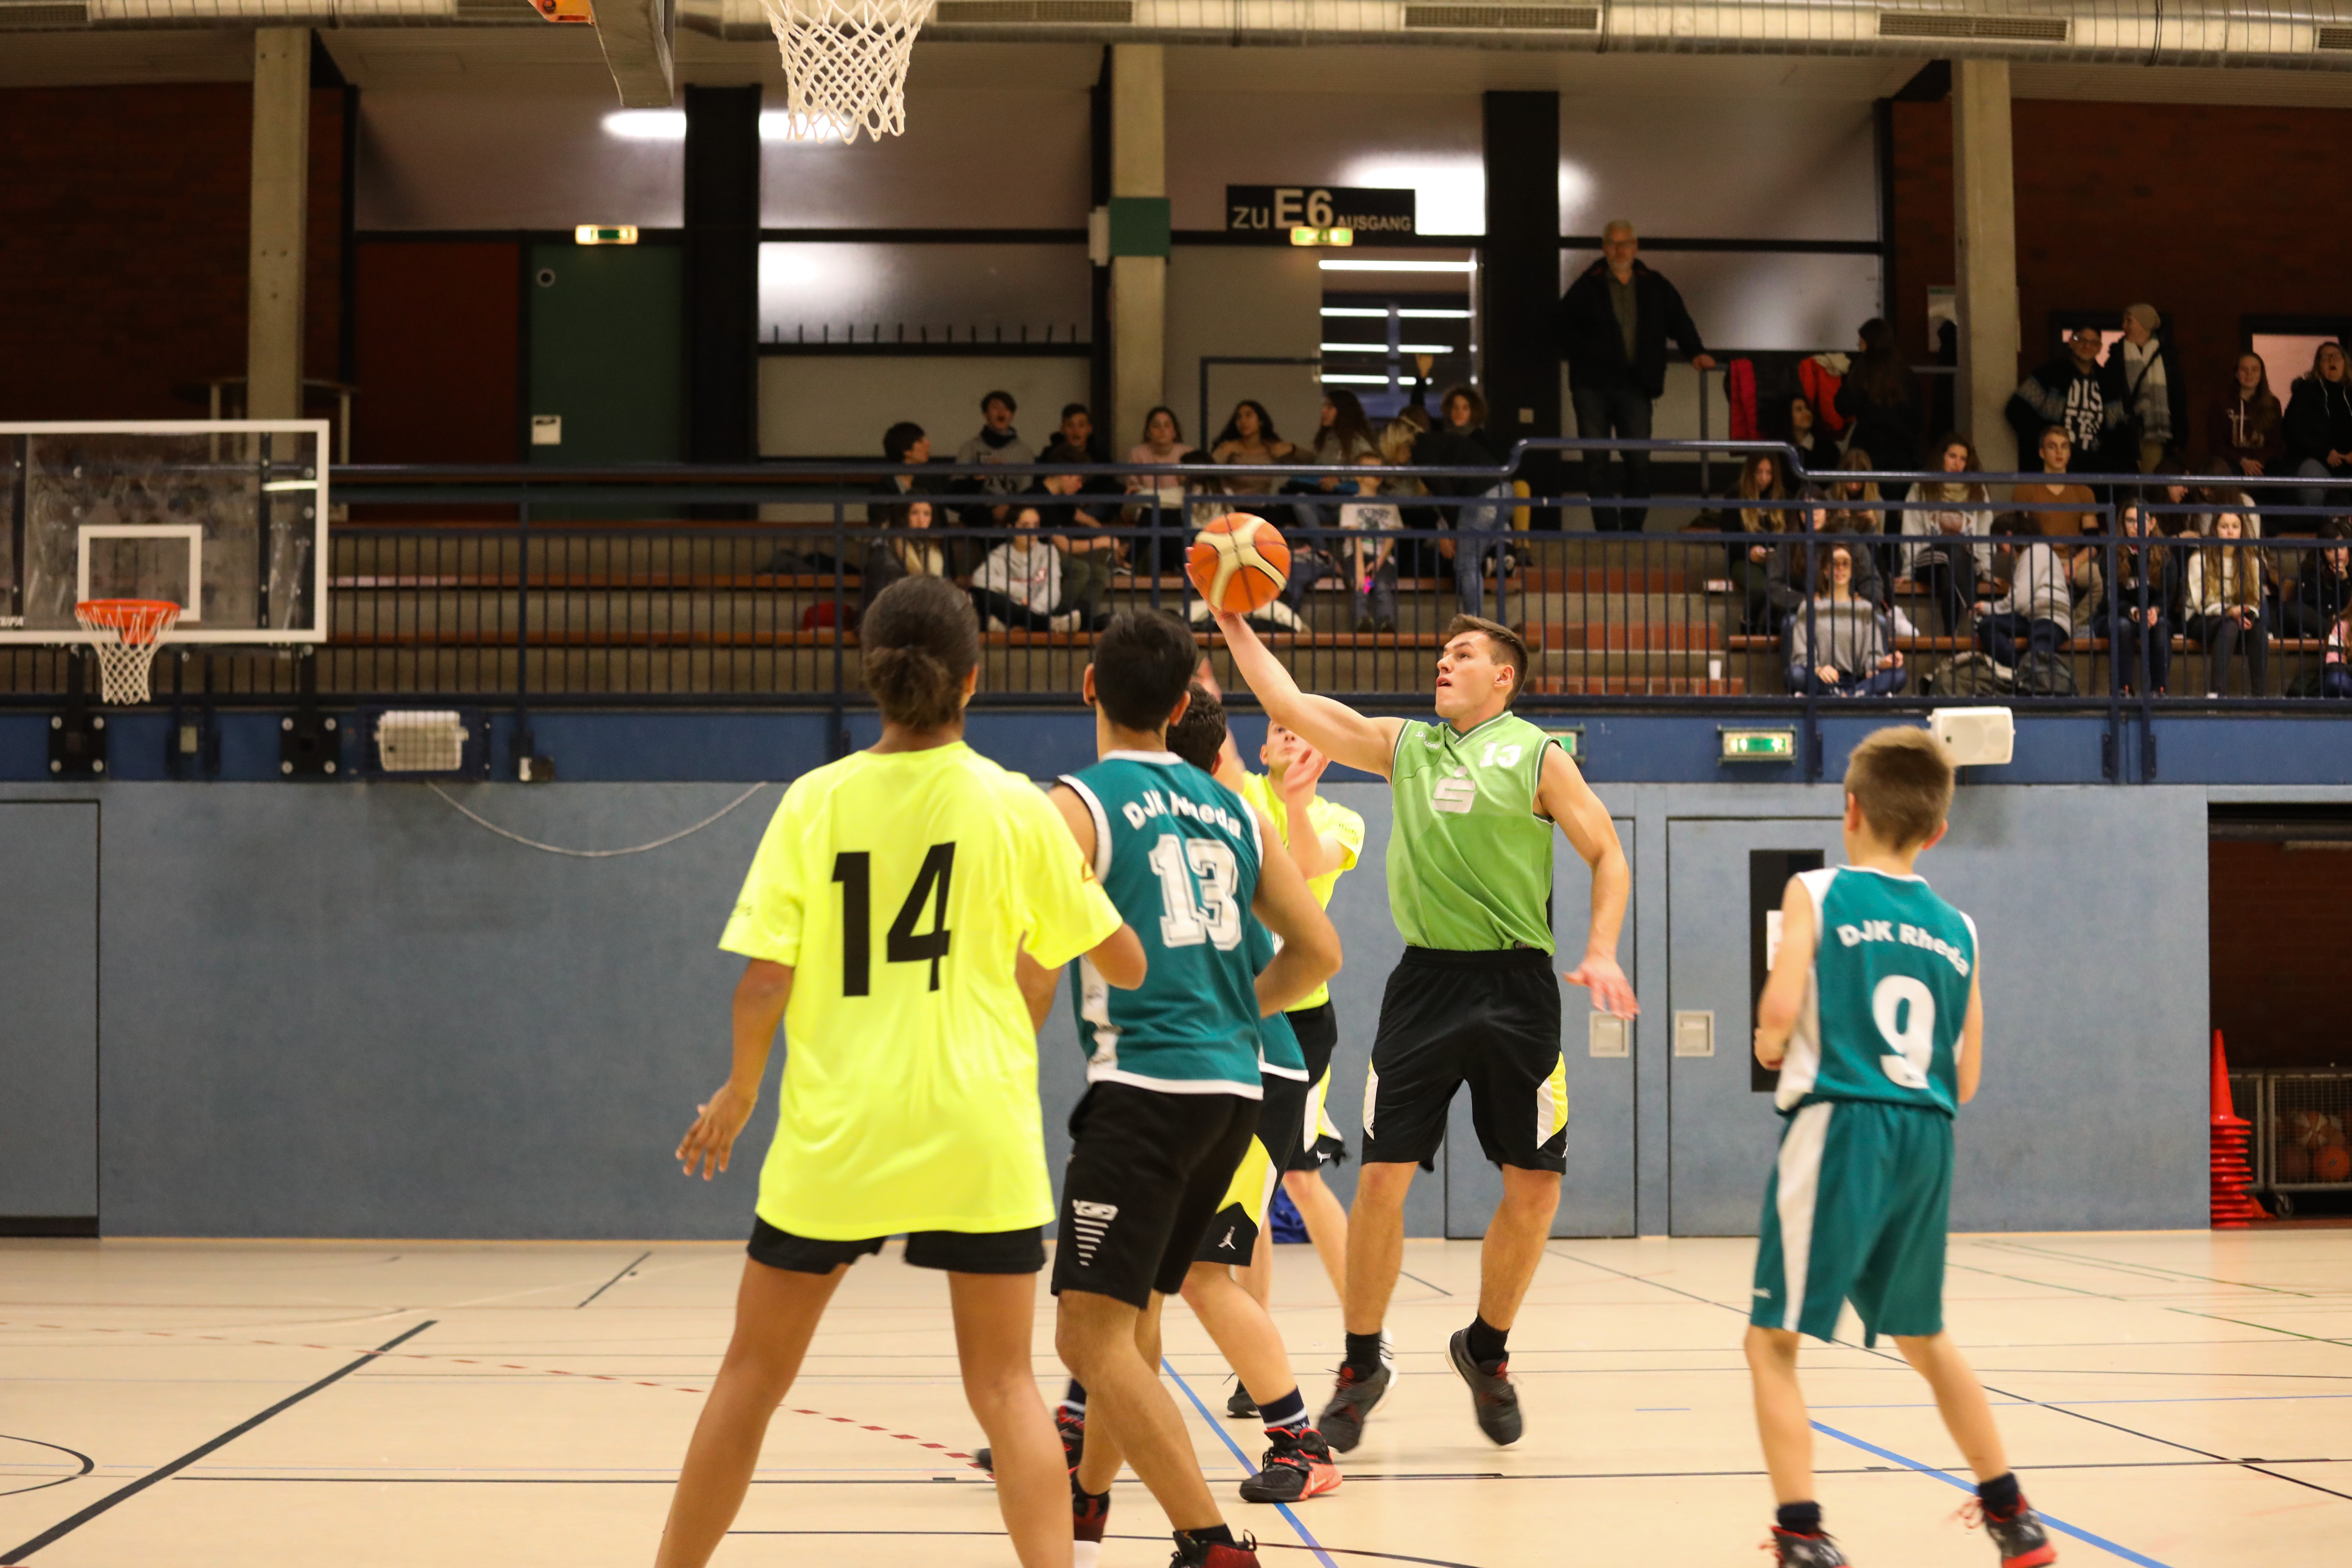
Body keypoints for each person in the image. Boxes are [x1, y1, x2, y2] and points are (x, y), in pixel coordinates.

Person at [653, 575, 1144, 1568]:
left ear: (871, 674)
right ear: (974, 679)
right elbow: (1123, 964)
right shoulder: (1017, 806)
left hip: (839, 1129)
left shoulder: (815, 800)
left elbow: (764, 981)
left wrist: (742, 1090)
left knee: (751, 1376)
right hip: (977, 1125)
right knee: (1007, 1389)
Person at [1212, 607, 1637, 1454]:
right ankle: (1361, 1363)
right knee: (1381, 1179)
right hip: (1426, 985)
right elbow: (1292, 705)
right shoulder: (1406, 746)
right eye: (1442, 652)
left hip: (1519, 987)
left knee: (1536, 1187)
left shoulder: (1538, 756)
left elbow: (1607, 853)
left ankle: (1486, 1348)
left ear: (1503, 677)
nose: (1444, 662)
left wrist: (1601, 948)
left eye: (1463, 654)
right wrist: (1232, 620)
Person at [1049, 612, 1342, 1568]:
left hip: (1143, 1093)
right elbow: (1318, 952)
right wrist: (1232, 1008)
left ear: (1090, 687)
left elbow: (1040, 958)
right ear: (1183, 707)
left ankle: (1211, 1544)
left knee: (1085, 1338)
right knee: (1132, 1317)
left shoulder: (1077, 805)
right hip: (1233, 1091)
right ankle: (1090, 1500)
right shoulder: (1236, 809)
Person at [1746, 726, 2057, 1568]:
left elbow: (1779, 1012)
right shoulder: (1960, 928)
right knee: (1924, 1335)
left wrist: (1772, 1042)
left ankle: (1801, 1534)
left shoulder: (1817, 891)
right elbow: (1968, 1076)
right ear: (1938, 831)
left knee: (1771, 1340)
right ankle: (2013, 1517)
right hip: (1927, 1135)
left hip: (1842, 1124)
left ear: (1850, 810)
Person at [1152, 686, 1350, 1497]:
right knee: (1143, 1270)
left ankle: (1325, 1402)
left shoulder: (1261, 820)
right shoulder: (1227, 809)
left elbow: (1317, 936)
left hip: (1257, 1052)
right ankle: (1083, 1425)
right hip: (1205, 1058)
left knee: (1206, 1261)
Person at [1229, 714, 1368, 1316]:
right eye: (1276, 727)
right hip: (1240, 1010)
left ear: (1325, 751)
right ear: (1262, 750)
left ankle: (1366, 1330)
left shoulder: (1343, 820)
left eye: (1299, 728)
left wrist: (1296, 800)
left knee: (1301, 1179)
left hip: (1301, 1018)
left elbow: (1305, 866)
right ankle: (1251, 1337)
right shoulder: (1240, 794)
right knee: (1248, 1182)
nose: (1287, 732)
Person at [1558, 219, 1714, 532]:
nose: (1620, 250)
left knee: (1639, 461)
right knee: (1596, 462)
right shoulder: (1587, 286)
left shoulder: (1655, 285)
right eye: (1614, 244)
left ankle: (1631, 530)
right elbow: (1560, 327)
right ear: (1605, 248)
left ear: (1636, 247)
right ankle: (1607, 531)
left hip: (1636, 385)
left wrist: (1695, 352)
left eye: (1626, 243)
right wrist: (1588, 352)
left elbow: (1679, 320)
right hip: (1592, 386)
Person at [1415, 385, 1515, 621]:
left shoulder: (1476, 440)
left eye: (1465, 408)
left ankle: (1473, 624)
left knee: (1466, 562)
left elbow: (1445, 491)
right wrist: (1421, 381)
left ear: (1475, 412)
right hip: (1483, 504)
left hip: (1479, 502)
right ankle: (1493, 564)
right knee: (1466, 559)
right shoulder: (1441, 437)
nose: (1459, 413)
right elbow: (1417, 414)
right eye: (1455, 408)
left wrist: (1450, 531)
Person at [1785, 544, 1905, 697]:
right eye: (1835, 564)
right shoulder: (1810, 607)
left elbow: (1872, 656)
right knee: (1795, 674)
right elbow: (1802, 654)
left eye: (1845, 564)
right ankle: (1850, 696)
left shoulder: (1865, 608)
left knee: (1899, 675)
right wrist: (1819, 670)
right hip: (1823, 679)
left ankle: (1846, 696)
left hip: (1859, 680)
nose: (1840, 569)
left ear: (1852, 571)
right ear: (1826, 571)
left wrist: (1884, 663)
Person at [1903, 435, 1993, 636]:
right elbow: (1911, 529)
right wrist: (1907, 572)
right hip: (1928, 559)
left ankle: (1950, 636)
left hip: (1964, 562)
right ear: (1941, 457)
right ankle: (1974, 612)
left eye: (1963, 459)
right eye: (1952, 456)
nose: (1957, 463)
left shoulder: (1978, 490)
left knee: (1948, 573)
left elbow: (1983, 533)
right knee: (1952, 548)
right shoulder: (1922, 487)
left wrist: (1987, 571)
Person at [2008, 327, 2125, 476]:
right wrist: (2042, 442)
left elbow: (2118, 428)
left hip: (2094, 460)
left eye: (2094, 343)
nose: (2087, 346)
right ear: (2071, 342)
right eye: (2081, 341)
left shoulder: (2108, 383)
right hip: (2055, 459)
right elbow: (2016, 410)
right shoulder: (2051, 373)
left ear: (2100, 348)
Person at [2184, 510, 2269, 697]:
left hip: (2238, 618)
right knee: (2230, 625)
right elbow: (2201, 603)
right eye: (2224, 527)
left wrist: (2245, 612)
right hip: (2203, 618)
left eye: (2235, 527)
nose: (2230, 532)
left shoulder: (2252, 562)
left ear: (2242, 531)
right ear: (2215, 530)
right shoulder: (2200, 559)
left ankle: (2260, 696)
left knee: (2258, 630)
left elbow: (2255, 599)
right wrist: (2231, 612)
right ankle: (2216, 693)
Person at [1973, 513, 2072, 668]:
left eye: (1999, 545)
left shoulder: (2036, 551)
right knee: (1988, 626)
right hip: (2031, 618)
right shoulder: (2030, 554)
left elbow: (2019, 601)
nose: (2001, 552)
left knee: (2039, 648)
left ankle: (2026, 673)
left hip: (2051, 617)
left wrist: (1986, 608)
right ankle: (2021, 670)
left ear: (2008, 536)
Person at [1031, 454, 1121, 625]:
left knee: (1101, 573)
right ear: (1065, 475)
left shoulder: (1059, 498)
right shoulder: (1039, 498)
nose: (1080, 486)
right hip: (1035, 555)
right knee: (1080, 569)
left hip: (1052, 553)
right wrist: (1103, 542)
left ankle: (1083, 618)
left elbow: (1082, 517)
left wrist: (1106, 537)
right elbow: (1065, 546)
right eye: (1078, 480)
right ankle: (1056, 617)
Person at [1833, 318, 1922, 485]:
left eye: (1861, 342)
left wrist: (1845, 378)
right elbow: (1917, 416)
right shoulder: (1906, 373)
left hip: (1868, 450)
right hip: (1902, 453)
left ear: (1868, 344)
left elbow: (1844, 406)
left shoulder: (1862, 371)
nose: (1858, 346)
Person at [2098, 501, 2174, 697]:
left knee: (2162, 625)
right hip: (2119, 614)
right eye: (2131, 521)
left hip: (2153, 615)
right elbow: (2111, 597)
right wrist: (2134, 612)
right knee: (2122, 626)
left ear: (2153, 523)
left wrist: (2155, 611)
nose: (2136, 526)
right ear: (2123, 524)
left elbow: (2169, 595)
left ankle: (2159, 690)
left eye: (2142, 520)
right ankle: (2123, 689)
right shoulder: (2111, 552)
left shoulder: (2165, 553)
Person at [974, 503, 1087, 633]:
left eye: (1036, 525)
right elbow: (978, 579)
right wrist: (1018, 590)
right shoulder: (1000, 554)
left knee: (1083, 610)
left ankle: (1016, 627)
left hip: (1040, 610)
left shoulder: (1048, 552)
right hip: (1009, 609)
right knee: (983, 596)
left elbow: (1053, 590)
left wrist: (1034, 611)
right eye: (1025, 526)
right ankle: (1051, 624)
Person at [2102, 303, 2187, 473]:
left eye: (2129, 321)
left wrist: (2180, 435)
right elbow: (2108, 394)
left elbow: (2178, 397)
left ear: (2145, 324)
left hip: (2156, 432)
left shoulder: (2167, 358)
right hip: (2124, 434)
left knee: (2151, 478)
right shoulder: (2116, 357)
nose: (2124, 326)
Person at [1728, 452, 1794, 634]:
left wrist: (1777, 553)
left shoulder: (1786, 498)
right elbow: (1728, 539)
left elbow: (1793, 535)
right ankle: (1748, 625)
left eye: (1769, 473)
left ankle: (1774, 628)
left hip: (1778, 561)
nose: (1764, 478)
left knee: (1787, 587)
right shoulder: (1735, 496)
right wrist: (1749, 552)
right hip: (1745, 560)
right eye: (1759, 472)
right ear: (1750, 472)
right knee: (1761, 588)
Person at [2285, 342, 2352, 516]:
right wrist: (2325, 452)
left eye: (2337, 356)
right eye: (2326, 357)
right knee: (2311, 482)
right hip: (2318, 459)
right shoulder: (2305, 391)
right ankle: (2318, 527)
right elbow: (2293, 430)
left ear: (2345, 362)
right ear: (2318, 364)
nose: (2332, 360)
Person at [1338, 454, 1403, 632]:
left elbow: (1391, 536)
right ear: (1358, 476)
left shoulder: (1389, 505)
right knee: (1362, 584)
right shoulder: (1351, 504)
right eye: (1371, 468)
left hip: (1382, 557)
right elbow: (1356, 536)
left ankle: (1386, 621)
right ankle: (1363, 620)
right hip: (1357, 555)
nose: (1377, 473)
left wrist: (1379, 562)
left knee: (1381, 585)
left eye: (1380, 469)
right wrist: (1360, 567)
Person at [860, 497, 948, 622]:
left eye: (927, 514)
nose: (921, 520)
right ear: (904, 516)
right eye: (915, 513)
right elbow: (878, 602)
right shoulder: (886, 552)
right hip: (888, 622)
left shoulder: (935, 553)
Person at [956, 391, 1036, 525]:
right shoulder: (970, 449)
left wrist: (1009, 508)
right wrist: (979, 478)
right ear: (986, 414)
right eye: (996, 407)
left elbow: (1026, 492)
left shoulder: (1025, 452)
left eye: (1007, 408)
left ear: (1012, 415)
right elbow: (957, 489)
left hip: (1013, 514)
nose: (1002, 412)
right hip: (979, 514)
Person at [2012, 426, 2097, 547]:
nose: (2059, 452)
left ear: (2070, 453)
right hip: (2038, 556)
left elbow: (2094, 543)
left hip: (2072, 558)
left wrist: (2077, 559)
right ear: (2042, 453)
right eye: (2052, 447)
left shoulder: (2084, 491)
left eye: (2064, 447)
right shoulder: (2025, 489)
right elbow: (2021, 537)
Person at [2209, 353, 2286, 484]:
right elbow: (2216, 445)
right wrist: (2243, 462)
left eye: (2255, 370)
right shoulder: (2220, 403)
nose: (2249, 374)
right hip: (2232, 462)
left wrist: (2257, 463)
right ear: (2237, 374)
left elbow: (2276, 444)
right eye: (2244, 369)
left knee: (2283, 472)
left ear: (2261, 375)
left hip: (2263, 463)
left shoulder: (2273, 404)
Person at [2282, 519, 2352, 639]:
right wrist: (2331, 616)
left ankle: (2338, 635)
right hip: (2324, 624)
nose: (2337, 553)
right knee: (2289, 610)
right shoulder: (2311, 568)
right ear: (2323, 552)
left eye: (2341, 547)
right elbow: (2309, 605)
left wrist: (2344, 581)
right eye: (2330, 549)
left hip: (2348, 624)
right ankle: (2337, 635)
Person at [1784, 393, 1840, 478]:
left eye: (1807, 408)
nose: (1806, 413)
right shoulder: (1782, 448)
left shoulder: (1828, 447)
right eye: (1799, 410)